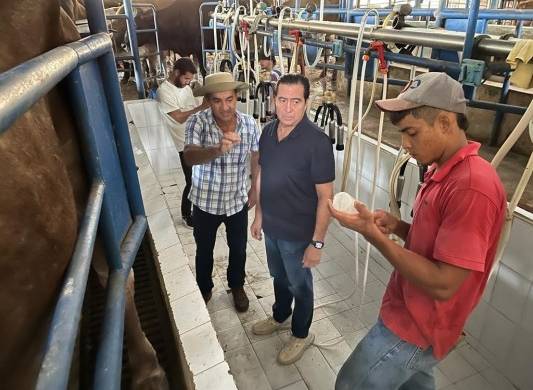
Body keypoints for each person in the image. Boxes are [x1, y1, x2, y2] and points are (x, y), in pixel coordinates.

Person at [330, 72, 506, 390]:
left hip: (418, 325)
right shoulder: (443, 170)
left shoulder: (471, 186)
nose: (405, 145)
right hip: (410, 307)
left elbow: (443, 284)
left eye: (411, 132)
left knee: (349, 385)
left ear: (444, 122)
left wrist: (374, 235)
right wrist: (397, 226)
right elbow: (436, 245)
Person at [250, 74, 335, 364]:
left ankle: (301, 333)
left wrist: (317, 244)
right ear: (274, 101)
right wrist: (259, 215)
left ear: (306, 103)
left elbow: (326, 199)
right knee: (279, 277)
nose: (288, 108)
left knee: (300, 285)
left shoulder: (317, 142)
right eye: (282, 100)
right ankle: (280, 315)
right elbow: (263, 176)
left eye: (295, 101)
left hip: (298, 234)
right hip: (272, 226)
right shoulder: (268, 132)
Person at [183, 72, 260, 312]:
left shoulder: (249, 124)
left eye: (229, 99)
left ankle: (236, 285)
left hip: (237, 201)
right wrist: (217, 149)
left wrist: (255, 189)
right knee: (204, 249)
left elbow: (256, 156)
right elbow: (190, 156)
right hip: (206, 202)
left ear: (237, 98)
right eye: (217, 100)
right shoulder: (198, 122)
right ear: (208, 100)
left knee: (238, 248)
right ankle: (204, 288)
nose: (224, 107)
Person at [156, 57, 209, 228]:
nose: (188, 83)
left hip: (195, 138)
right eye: (186, 78)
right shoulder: (165, 91)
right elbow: (178, 117)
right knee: (191, 181)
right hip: (182, 143)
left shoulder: (185, 87)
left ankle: (201, 209)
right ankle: (187, 215)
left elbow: (192, 110)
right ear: (176, 72)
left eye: (190, 80)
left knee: (201, 178)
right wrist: (200, 108)